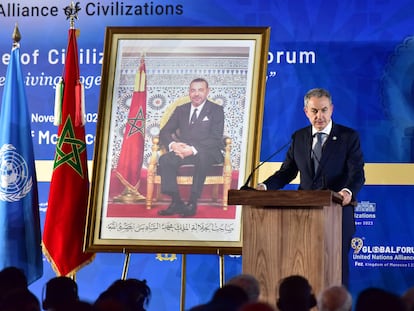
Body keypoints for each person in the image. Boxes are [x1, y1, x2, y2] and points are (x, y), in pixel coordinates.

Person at [257, 88, 365, 286]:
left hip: (338, 213)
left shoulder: (348, 137)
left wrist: (347, 192)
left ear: (331, 109)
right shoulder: (299, 137)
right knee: (303, 267)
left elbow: (357, 173)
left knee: (336, 270)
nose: (319, 116)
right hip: (303, 214)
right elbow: (287, 172)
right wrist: (265, 187)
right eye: (314, 111)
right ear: (306, 111)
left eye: (324, 110)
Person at [157, 78, 225, 217]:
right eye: (193, 90)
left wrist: (192, 150)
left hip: (208, 151)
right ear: (189, 92)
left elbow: (216, 138)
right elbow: (164, 131)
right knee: (165, 159)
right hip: (184, 150)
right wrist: (174, 145)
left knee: (202, 156)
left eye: (200, 90)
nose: (196, 94)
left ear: (207, 91)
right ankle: (176, 202)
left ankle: (192, 202)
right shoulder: (181, 110)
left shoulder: (216, 110)